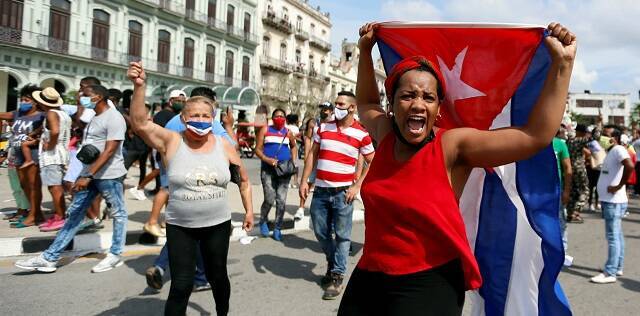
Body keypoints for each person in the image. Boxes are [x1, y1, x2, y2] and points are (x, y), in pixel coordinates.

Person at [334, 22, 576, 314]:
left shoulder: (453, 147)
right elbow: (367, 102)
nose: (418, 104)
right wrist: (365, 50)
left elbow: (535, 135)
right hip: (370, 276)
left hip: (429, 283)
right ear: (393, 104)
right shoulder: (384, 134)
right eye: (408, 95)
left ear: (438, 110)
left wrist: (562, 64)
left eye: (428, 97)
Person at [127, 62, 254, 316]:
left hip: (217, 225)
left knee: (218, 278)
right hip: (180, 226)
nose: (200, 120)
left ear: (213, 118)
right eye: (194, 115)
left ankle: (222, 313)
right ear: (183, 118)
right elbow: (140, 124)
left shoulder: (223, 145)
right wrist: (139, 87)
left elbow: (243, 180)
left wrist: (248, 211)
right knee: (181, 285)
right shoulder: (171, 141)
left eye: (205, 116)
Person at [15, 84, 129, 273]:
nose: (80, 98)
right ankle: (49, 258)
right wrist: (82, 174)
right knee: (74, 215)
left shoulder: (114, 118)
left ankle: (115, 254)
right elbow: (91, 146)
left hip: (109, 175)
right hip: (89, 174)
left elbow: (110, 150)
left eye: (85, 95)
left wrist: (89, 175)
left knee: (118, 213)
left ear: (98, 97)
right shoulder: (95, 116)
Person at [144, 86, 237, 292]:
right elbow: (231, 147)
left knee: (185, 230)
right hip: (197, 181)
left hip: (174, 179)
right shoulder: (207, 121)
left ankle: (161, 266)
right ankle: (200, 277)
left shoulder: (174, 120)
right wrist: (229, 126)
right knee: (199, 231)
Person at [300, 91, 375, 300]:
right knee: (320, 231)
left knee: (343, 236)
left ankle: (337, 276)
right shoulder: (323, 127)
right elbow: (313, 154)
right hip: (321, 192)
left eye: (341, 104)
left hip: (343, 193)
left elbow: (373, 160)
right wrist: (305, 180)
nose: (337, 107)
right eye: (336, 103)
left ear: (352, 107)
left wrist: (357, 186)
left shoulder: (361, 134)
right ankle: (334, 263)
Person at [590, 128, 633, 284]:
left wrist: (618, 186)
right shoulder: (613, 151)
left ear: (615, 138)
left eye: (606, 135)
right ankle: (617, 266)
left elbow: (630, 166)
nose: (602, 138)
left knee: (613, 236)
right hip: (612, 200)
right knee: (617, 235)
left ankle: (610, 272)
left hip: (613, 201)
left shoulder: (618, 149)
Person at [0, 84, 45, 228]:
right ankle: (34, 213)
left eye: (27, 99)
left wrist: (36, 139)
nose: (23, 102)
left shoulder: (42, 115)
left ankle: (35, 215)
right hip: (18, 154)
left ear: (35, 101)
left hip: (32, 154)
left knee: (34, 186)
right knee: (24, 186)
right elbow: (2, 115)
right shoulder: (18, 113)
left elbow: (47, 132)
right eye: (22, 99)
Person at [32, 87, 72, 232]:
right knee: (59, 187)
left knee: (54, 187)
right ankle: (60, 215)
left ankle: (60, 217)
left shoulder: (51, 113)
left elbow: (54, 131)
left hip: (52, 156)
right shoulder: (64, 114)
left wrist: (50, 145)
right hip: (62, 153)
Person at [255, 108, 298, 241]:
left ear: (285, 119)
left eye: (282, 116)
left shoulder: (288, 132)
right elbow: (257, 149)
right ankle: (263, 221)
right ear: (272, 118)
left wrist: (292, 161)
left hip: (284, 171)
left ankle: (278, 228)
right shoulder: (265, 130)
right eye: (276, 116)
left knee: (281, 201)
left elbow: (294, 146)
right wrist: (267, 159)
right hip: (268, 170)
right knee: (269, 198)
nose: (279, 118)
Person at [295, 103, 334, 220]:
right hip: (315, 156)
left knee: (327, 184)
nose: (323, 111)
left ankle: (326, 210)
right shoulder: (313, 123)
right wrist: (307, 156)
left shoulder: (334, 124)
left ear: (331, 111)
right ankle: (301, 208)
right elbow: (308, 139)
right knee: (307, 181)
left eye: (326, 109)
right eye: (322, 108)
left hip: (328, 157)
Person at [553, 128, 573, 266]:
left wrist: (566, 190)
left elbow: (568, 168)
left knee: (560, 220)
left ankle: (563, 251)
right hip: (536, 190)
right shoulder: (535, 142)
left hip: (556, 190)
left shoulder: (560, 144)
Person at [566, 124, 591, 223]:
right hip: (579, 169)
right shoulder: (580, 140)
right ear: (582, 133)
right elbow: (595, 137)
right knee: (584, 191)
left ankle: (570, 213)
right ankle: (576, 211)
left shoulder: (569, 141)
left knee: (573, 192)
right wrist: (599, 123)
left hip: (570, 168)